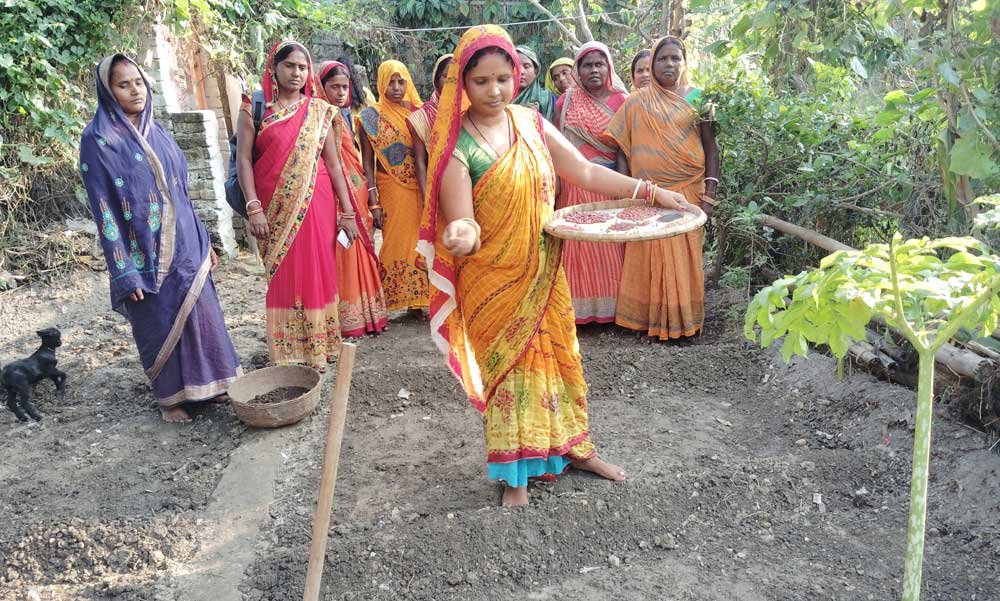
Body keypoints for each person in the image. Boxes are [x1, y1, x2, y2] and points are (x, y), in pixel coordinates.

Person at [417, 25, 699, 506]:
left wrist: (651, 192)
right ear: (462, 83)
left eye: (503, 78)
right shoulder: (457, 146)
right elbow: (463, 219)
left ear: (516, 76)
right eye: (481, 81)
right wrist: (461, 234)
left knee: (561, 361)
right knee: (510, 372)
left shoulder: (530, 122)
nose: (494, 90)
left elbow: (584, 170)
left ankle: (576, 450)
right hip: (493, 281)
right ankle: (515, 476)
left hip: (545, 271)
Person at [79, 54, 242, 423]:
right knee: (159, 320)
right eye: (123, 85)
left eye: (138, 82)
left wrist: (204, 238)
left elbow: (181, 191)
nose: (135, 90)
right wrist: (124, 271)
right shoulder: (98, 140)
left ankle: (211, 384)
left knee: (202, 314)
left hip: (187, 243)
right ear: (108, 91)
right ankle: (170, 399)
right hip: (142, 252)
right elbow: (103, 209)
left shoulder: (158, 130)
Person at [235, 41, 359, 369]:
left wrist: (347, 212)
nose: (297, 73)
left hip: (317, 203)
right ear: (274, 68)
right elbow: (243, 160)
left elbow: (334, 165)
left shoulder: (319, 111)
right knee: (284, 272)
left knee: (317, 269)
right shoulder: (254, 110)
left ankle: (321, 345)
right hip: (272, 206)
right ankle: (289, 350)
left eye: (303, 67)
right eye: (289, 65)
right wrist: (253, 207)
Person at [604, 36, 720, 340]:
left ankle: (683, 323)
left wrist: (709, 195)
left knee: (685, 257)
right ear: (652, 63)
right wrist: (629, 194)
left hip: (688, 192)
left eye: (675, 58)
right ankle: (646, 321)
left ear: (684, 62)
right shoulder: (635, 102)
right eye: (663, 58)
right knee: (647, 256)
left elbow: (711, 148)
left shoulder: (699, 98)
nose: (669, 64)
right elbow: (622, 149)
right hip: (648, 194)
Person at [553, 42, 629, 325]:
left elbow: (625, 149)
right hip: (573, 184)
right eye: (587, 65)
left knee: (609, 246)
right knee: (578, 246)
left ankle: (613, 310)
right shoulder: (565, 101)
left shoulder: (623, 101)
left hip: (609, 184)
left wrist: (626, 186)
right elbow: (555, 145)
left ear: (609, 67)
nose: (594, 70)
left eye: (599, 64)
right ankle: (575, 311)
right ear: (578, 70)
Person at [319, 60, 389, 338]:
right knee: (345, 252)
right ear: (321, 87)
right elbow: (331, 163)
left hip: (356, 193)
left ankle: (370, 315)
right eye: (334, 87)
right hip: (339, 197)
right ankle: (350, 318)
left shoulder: (343, 116)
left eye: (345, 87)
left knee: (360, 248)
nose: (340, 93)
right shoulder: (322, 118)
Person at [357, 61, 429, 314]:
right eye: (390, 82)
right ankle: (394, 297)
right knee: (396, 242)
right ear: (381, 84)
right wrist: (373, 201)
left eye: (401, 82)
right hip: (391, 188)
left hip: (421, 187)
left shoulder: (420, 113)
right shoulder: (370, 117)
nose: (396, 88)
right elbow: (367, 162)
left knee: (422, 241)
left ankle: (420, 301)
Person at [408, 54, 454, 200]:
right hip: (438, 189)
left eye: (456, 77)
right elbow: (420, 162)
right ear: (436, 80)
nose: (452, 82)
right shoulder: (422, 117)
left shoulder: (471, 111)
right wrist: (426, 198)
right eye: (446, 77)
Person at [512, 45, 556, 121]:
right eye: (516, 67)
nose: (521, 71)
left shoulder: (547, 98)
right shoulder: (500, 97)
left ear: (536, 71)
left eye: (526, 66)